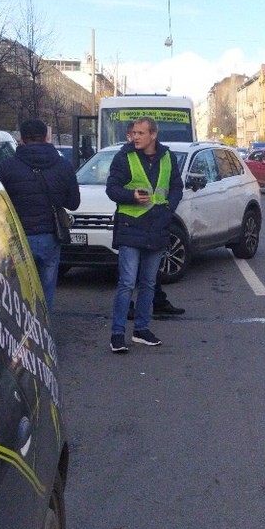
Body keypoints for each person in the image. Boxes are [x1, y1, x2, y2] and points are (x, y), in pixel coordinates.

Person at [106, 117, 182, 353]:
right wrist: (131, 197)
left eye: (140, 133)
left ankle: (141, 330)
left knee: (149, 283)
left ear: (153, 135)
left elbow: (176, 186)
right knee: (127, 283)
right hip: (131, 226)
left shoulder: (168, 157)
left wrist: (169, 208)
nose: (135, 137)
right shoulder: (124, 157)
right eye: (133, 133)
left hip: (157, 226)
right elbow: (112, 188)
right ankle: (117, 334)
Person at [0, 119, 80, 313]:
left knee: (19, 291)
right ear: (47, 137)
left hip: (18, 237)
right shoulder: (63, 166)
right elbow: (74, 203)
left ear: (20, 139)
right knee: (46, 290)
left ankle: (21, 334)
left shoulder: (6, 167)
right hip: (50, 236)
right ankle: (43, 334)